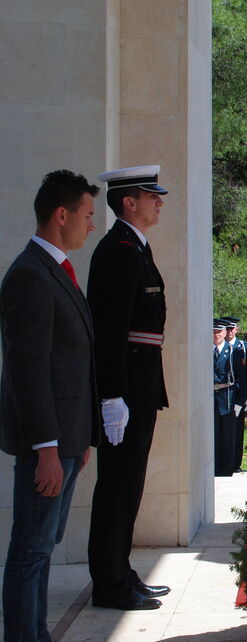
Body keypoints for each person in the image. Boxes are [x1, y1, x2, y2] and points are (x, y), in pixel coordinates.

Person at [1, 170, 101, 641]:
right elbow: (29, 372)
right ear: (62, 215)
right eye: (87, 215)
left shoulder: (54, 270)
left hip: (66, 439)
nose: (92, 225)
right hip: (48, 443)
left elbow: (71, 364)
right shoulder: (30, 276)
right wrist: (46, 448)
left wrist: (79, 439)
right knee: (31, 550)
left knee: (41, 547)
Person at [87, 165, 171, 611]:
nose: (159, 202)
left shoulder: (135, 247)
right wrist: (112, 394)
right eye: (150, 195)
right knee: (117, 485)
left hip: (140, 380)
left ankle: (119, 570)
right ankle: (109, 582)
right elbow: (110, 330)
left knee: (129, 483)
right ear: (128, 202)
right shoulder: (119, 251)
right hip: (127, 386)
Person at [222, 317, 247, 471]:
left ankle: (236, 463)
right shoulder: (218, 345)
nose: (229, 332)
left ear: (237, 329)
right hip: (224, 393)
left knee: (237, 428)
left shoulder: (244, 347)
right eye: (227, 329)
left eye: (232, 328)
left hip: (239, 394)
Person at [213, 320, 237, 476]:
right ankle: (213, 467)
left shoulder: (234, 351)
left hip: (227, 398)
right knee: (212, 435)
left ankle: (227, 469)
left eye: (219, 331)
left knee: (228, 436)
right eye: (214, 331)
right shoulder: (205, 350)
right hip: (210, 398)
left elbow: (242, 376)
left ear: (224, 332)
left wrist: (242, 401)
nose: (216, 335)